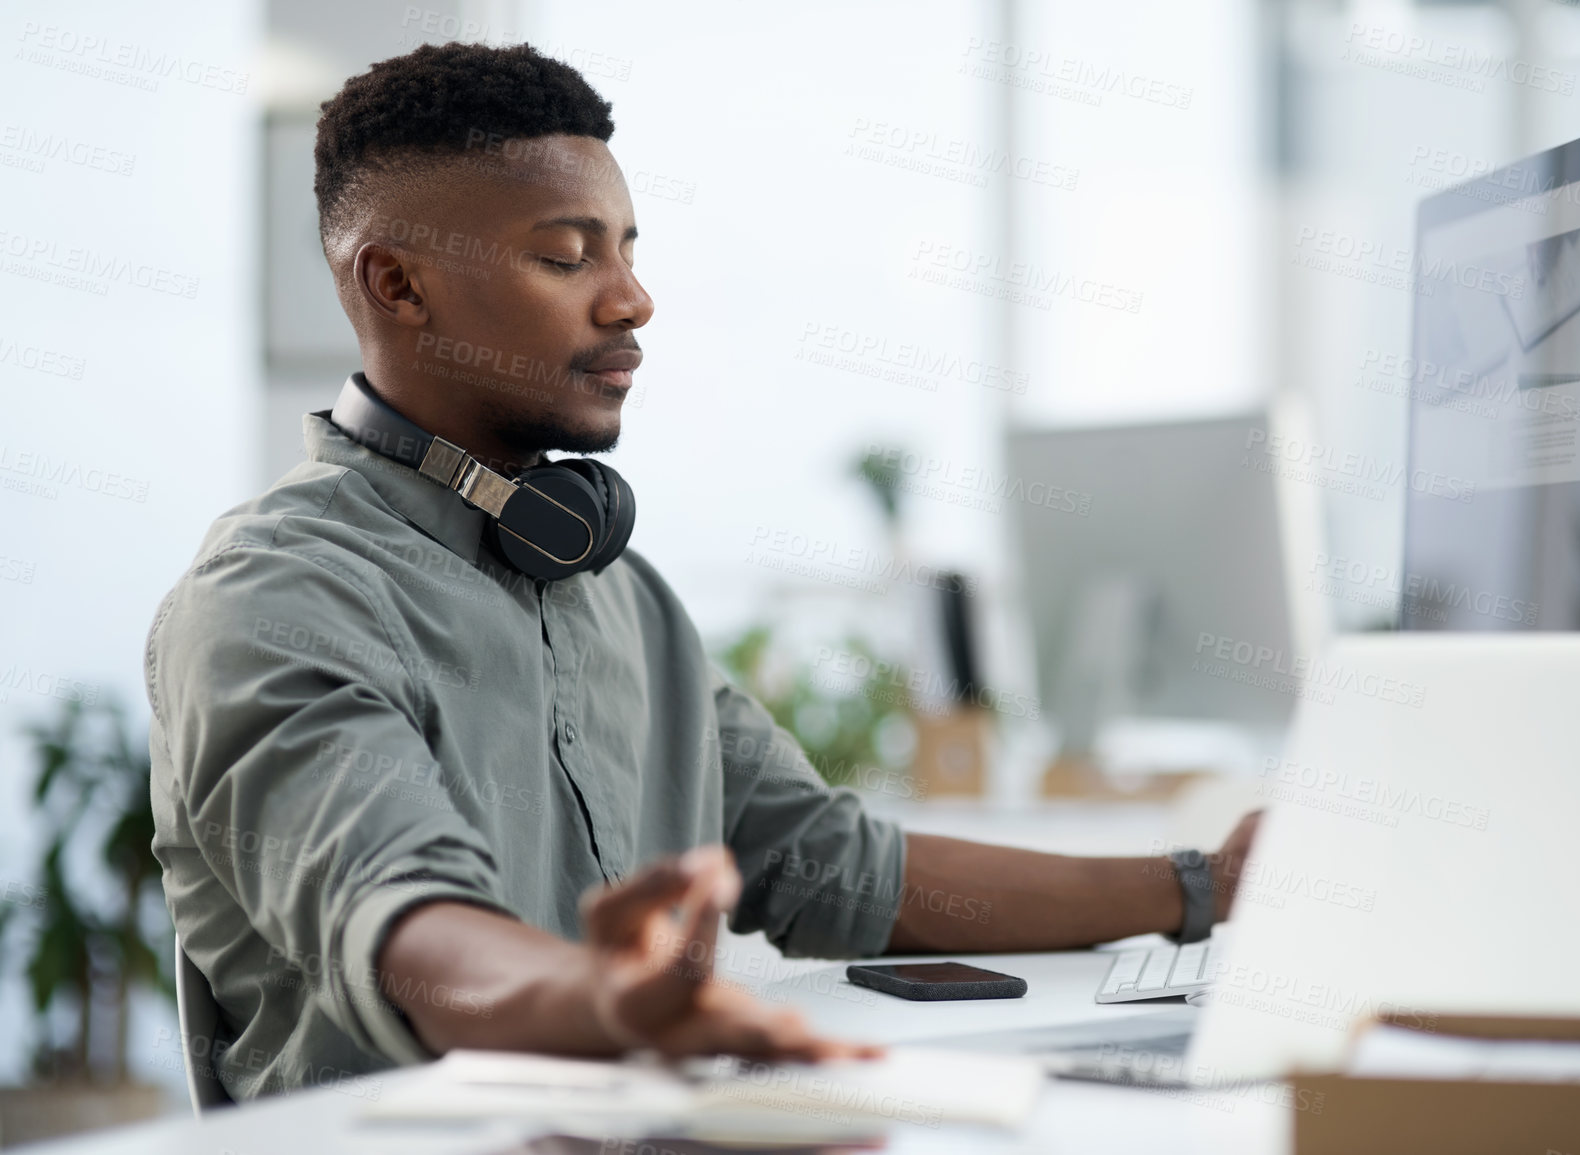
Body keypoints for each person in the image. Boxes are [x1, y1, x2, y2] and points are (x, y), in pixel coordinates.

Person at [146, 41, 1259, 1100]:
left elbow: (834, 865)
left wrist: (1204, 883)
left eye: (629, 250)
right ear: (397, 285)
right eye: (566, 255)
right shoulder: (276, 598)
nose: (630, 299)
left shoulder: (620, 599)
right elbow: (400, 924)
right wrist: (606, 1000)